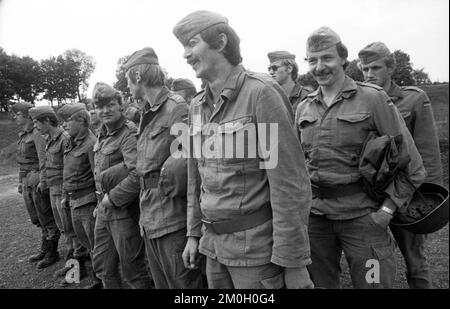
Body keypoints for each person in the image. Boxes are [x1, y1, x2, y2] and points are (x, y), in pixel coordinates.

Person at [173, 10, 313, 289]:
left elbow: (289, 184)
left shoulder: (262, 93)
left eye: (192, 43)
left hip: (256, 254)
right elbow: (195, 178)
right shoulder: (196, 105)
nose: (186, 55)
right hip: (213, 249)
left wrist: (294, 262)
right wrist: (192, 234)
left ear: (221, 42)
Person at [295, 27, 426, 288]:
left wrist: (387, 211)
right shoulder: (304, 107)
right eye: (312, 60)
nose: (320, 66)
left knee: (373, 283)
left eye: (327, 58)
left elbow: (412, 165)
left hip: (363, 220)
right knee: (320, 285)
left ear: (343, 59)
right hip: (316, 221)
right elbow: (297, 166)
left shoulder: (373, 99)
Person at [358, 42, 443, 289]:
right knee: (373, 259)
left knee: (415, 262)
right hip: (372, 198)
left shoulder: (414, 99)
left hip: (407, 196)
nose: (369, 74)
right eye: (364, 69)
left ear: (391, 67)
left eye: (375, 67)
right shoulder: (362, 101)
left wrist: (427, 200)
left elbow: (427, 151)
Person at [123, 47, 204, 289]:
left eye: (128, 78)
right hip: (151, 217)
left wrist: (193, 231)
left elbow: (193, 169)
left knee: (184, 288)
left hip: (173, 218)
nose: (127, 85)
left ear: (138, 76)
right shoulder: (146, 112)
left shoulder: (176, 108)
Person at [90, 82, 152, 289]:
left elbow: (138, 174)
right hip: (103, 209)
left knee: (133, 272)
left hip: (124, 212)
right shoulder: (102, 133)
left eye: (110, 105)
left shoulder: (129, 133)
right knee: (102, 267)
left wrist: (112, 198)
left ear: (120, 105)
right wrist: (100, 203)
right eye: (100, 106)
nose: (105, 110)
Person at [28, 106, 86, 274]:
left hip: (63, 189)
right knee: (64, 229)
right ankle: (71, 267)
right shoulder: (49, 139)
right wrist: (44, 182)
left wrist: (65, 193)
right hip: (54, 189)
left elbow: (70, 167)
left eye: (37, 122)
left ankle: (76, 270)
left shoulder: (65, 138)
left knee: (72, 231)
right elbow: (46, 164)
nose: (36, 127)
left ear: (47, 120)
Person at [57, 103, 102, 288]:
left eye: (67, 120)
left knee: (95, 244)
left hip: (87, 202)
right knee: (78, 241)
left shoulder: (91, 144)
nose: (64, 125)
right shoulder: (71, 141)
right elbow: (66, 172)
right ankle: (78, 271)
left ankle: (99, 279)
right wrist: (64, 196)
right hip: (72, 201)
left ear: (82, 120)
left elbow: (97, 176)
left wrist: (99, 203)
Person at [11, 102, 60, 269]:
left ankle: (52, 252)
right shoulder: (24, 135)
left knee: (46, 216)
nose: (15, 117)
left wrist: (43, 180)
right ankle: (45, 248)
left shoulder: (37, 135)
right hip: (27, 181)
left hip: (36, 180)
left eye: (17, 114)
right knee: (37, 217)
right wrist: (20, 182)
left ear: (25, 115)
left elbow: (43, 159)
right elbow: (22, 162)